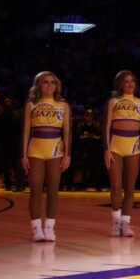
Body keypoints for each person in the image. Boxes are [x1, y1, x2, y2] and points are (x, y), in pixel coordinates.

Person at [21, 71, 71, 242]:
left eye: (53, 82)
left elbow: (67, 131)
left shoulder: (63, 105)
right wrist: (23, 155)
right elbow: (25, 131)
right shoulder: (31, 104)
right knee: (35, 189)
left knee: (53, 190)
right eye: (45, 82)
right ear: (38, 85)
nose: (49, 85)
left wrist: (67, 154)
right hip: (35, 150)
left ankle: (49, 228)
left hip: (56, 150)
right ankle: (36, 229)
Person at [103, 70, 140, 237]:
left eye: (132, 81)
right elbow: (106, 127)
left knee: (130, 188)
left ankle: (126, 223)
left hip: (134, 148)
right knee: (116, 186)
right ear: (120, 84)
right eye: (126, 81)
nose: (130, 84)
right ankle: (116, 222)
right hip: (115, 146)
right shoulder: (113, 102)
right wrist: (106, 150)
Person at [75, 108, 103, 191]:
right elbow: (80, 137)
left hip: (95, 150)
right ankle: (83, 186)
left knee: (96, 169)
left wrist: (87, 135)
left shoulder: (97, 125)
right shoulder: (81, 126)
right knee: (84, 169)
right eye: (87, 115)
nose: (89, 117)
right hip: (85, 150)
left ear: (93, 116)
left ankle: (98, 186)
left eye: (91, 116)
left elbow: (99, 137)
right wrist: (92, 136)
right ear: (84, 116)